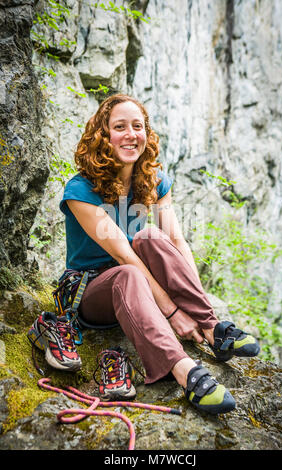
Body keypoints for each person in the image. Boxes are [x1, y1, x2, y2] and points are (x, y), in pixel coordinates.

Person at [28, 93, 260, 415]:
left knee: (150, 235)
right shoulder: (80, 191)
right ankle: (186, 373)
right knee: (129, 271)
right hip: (92, 291)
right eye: (119, 126)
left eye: (137, 126)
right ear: (103, 136)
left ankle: (213, 329)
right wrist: (172, 312)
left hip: (139, 281)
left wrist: (199, 309)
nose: (130, 134)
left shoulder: (153, 180)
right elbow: (124, 257)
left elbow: (177, 241)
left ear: (146, 134)